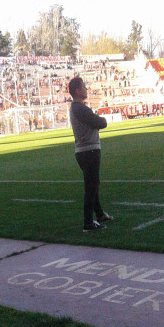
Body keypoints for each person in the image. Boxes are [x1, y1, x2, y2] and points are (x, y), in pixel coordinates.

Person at [69, 76, 113, 231]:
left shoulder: (78, 107)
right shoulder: (79, 108)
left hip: (85, 151)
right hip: (89, 151)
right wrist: (102, 119)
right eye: (84, 86)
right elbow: (100, 123)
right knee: (91, 187)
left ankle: (99, 214)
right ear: (77, 90)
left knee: (93, 184)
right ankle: (88, 222)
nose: (86, 89)